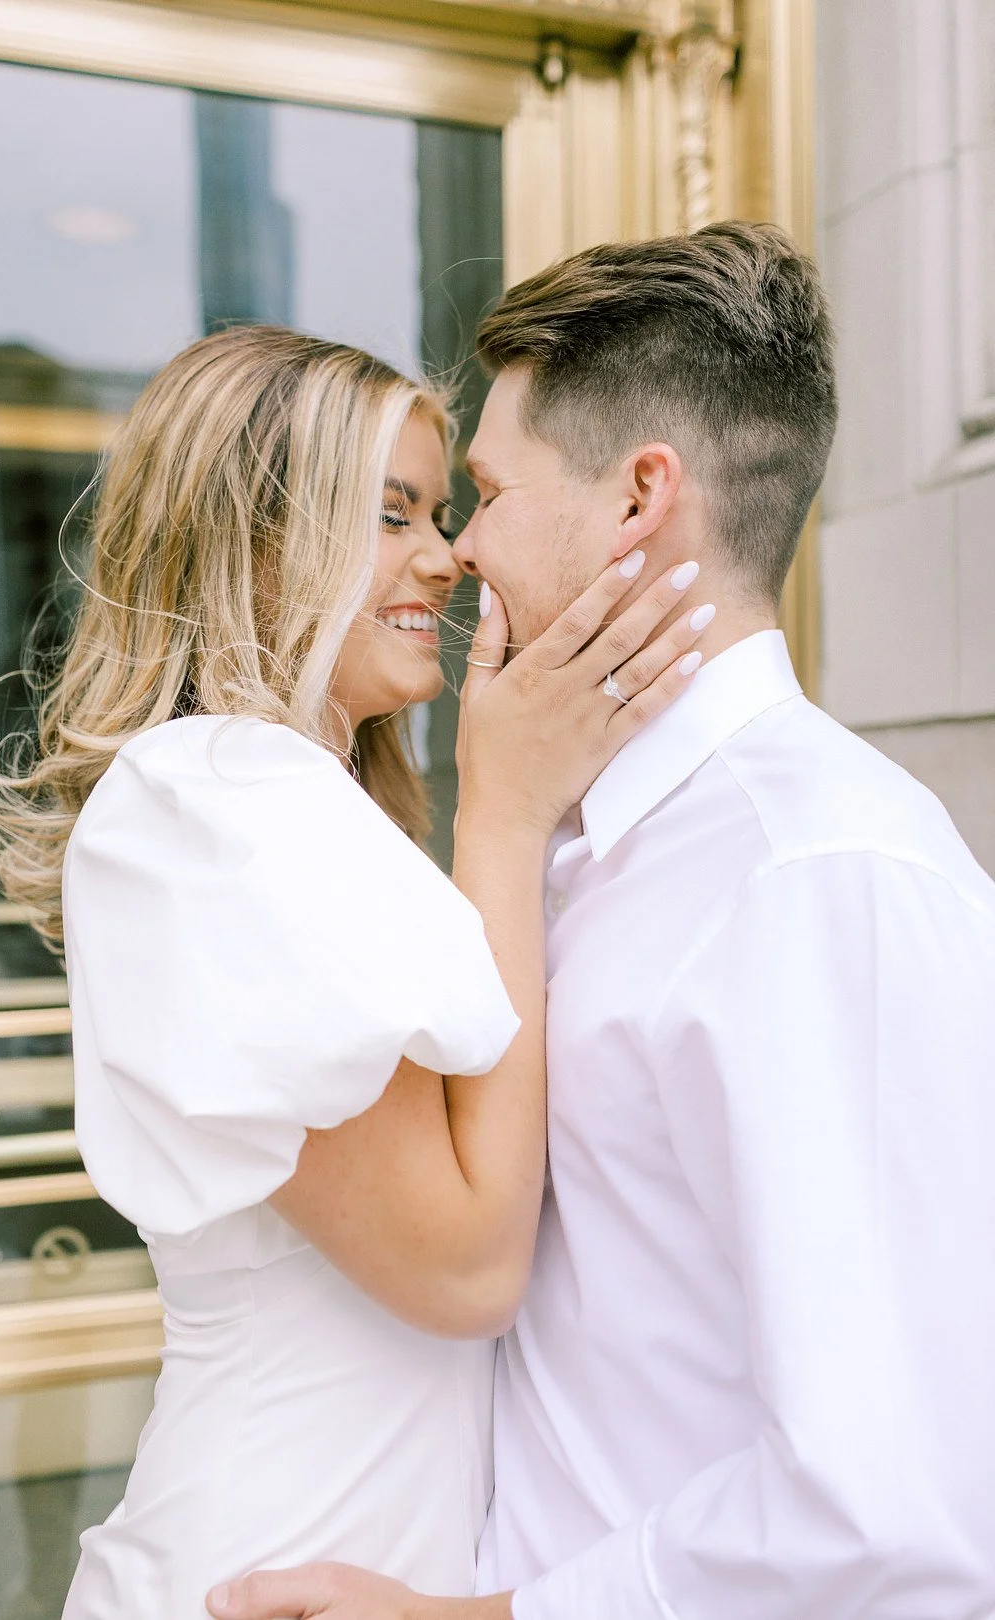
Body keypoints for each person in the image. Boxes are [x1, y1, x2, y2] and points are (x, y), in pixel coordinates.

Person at [206, 224, 995, 1620]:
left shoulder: (819, 878)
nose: (456, 555)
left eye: (490, 494)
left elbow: (893, 1498)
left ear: (641, 499)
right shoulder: (578, 844)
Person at [0, 326, 709, 1620]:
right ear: (252, 539)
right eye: (391, 514)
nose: (445, 556)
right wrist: (507, 811)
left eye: (445, 511)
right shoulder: (208, 802)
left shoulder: (294, 810)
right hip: (275, 1576)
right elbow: (466, 1267)